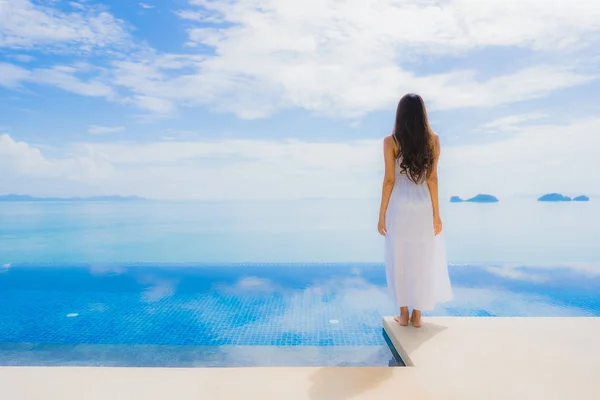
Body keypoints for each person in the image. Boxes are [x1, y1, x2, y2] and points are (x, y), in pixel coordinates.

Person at [377, 93, 452, 328]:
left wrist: (381, 214)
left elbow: (389, 180)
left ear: (400, 114)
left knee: (398, 257)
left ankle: (404, 313)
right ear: (423, 113)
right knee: (422, 257)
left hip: (399, 205)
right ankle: (418, 314)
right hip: (422, 206)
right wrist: (436, 214)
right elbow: (433, 178)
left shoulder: (391, 142)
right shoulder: (433, 140)